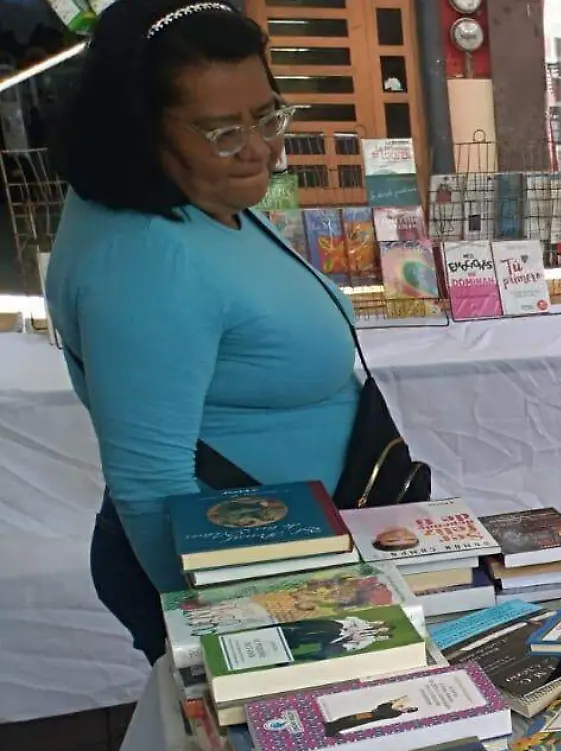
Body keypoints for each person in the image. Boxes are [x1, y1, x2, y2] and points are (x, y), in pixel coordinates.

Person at [47, 0, 361, 663]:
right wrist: (230, 641)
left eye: (267, 115)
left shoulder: (199, 196)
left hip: (291, 553)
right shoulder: (144, 257)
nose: (259, 148)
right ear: (142, 130)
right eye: (220, 131)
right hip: (232, 576)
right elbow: (149, 481)